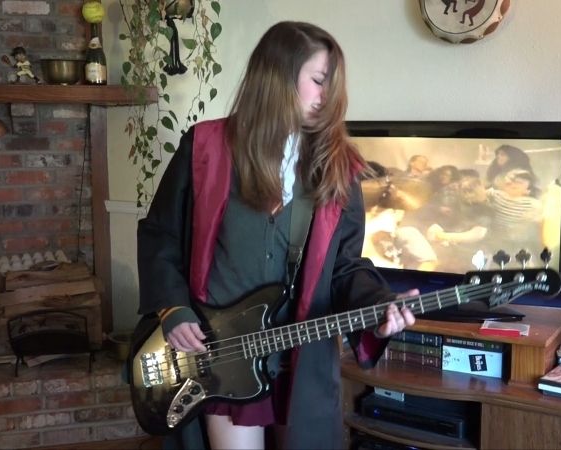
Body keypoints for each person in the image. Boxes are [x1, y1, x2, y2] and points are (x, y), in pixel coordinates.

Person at [136, 21, 416, 449]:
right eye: (319, 80)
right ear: (279, 76)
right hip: (223, 358)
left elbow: (344, 268)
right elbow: (161, 235)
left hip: (301, 363)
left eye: (333, 84)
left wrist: (379, 305)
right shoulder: (206, 148)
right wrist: (173, 309)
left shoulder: (340, 169)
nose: (328, 96)